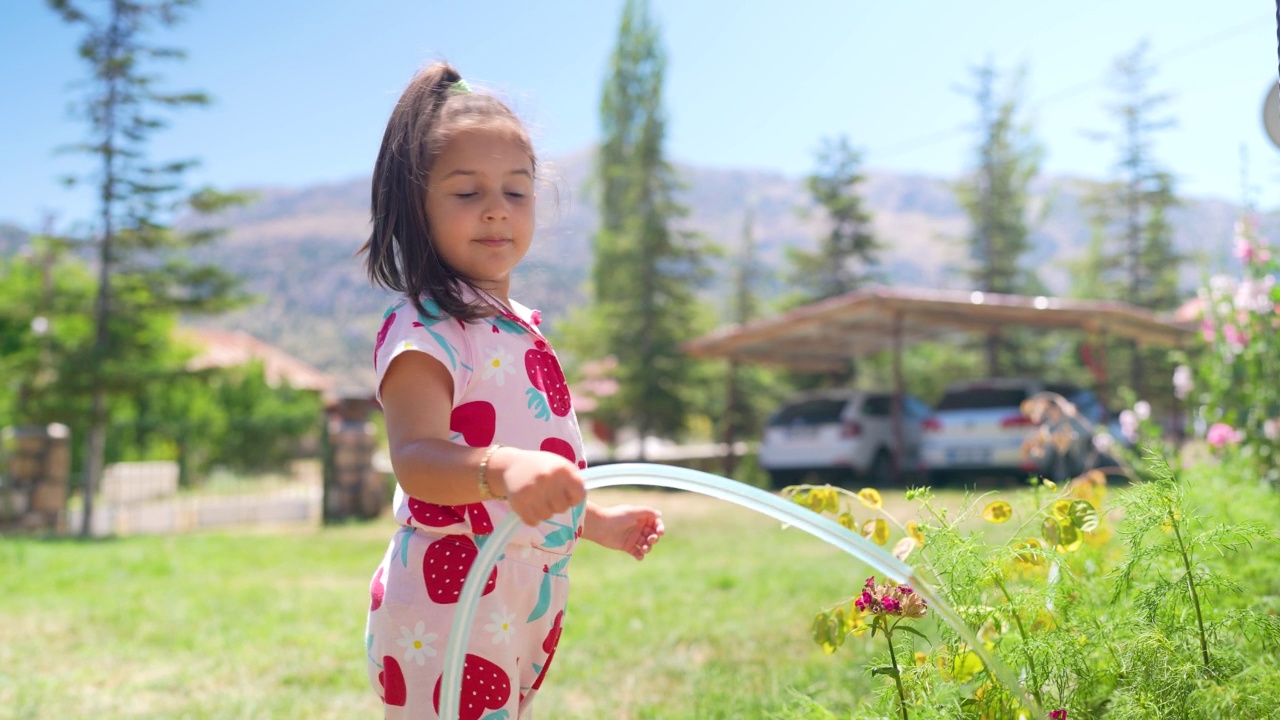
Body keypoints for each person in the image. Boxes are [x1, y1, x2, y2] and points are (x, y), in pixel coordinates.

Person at [359, 61, 665, 719]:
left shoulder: (518, 330)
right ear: (418, 206)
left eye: (516, 192)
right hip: (448, 603)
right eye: (467, 193)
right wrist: (504, 468)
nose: (497, 208)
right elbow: (418, 460)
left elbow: (533, 469)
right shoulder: (423, 329)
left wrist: (597, 524)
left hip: (518, 596)